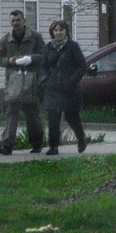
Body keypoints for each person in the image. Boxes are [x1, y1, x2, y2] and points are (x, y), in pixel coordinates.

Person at [0, 9, 46, 155]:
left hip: (31, 79)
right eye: (13, 20)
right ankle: (7, 146)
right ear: (9, 21)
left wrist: (30, 59)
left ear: (24, 20)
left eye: (18, 20)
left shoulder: (35, 36)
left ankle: (37, 144)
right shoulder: (5, 39)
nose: (16, 23)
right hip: (13, 80)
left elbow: (44, 55)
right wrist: (9, 61)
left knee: (32, 113)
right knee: (11, 112)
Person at [41, 20, 88, 155]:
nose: (59, 33)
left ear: (66, 31)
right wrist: (46, 79)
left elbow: (82, 66)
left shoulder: (73, 47)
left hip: (70, 89)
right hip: (53, 88)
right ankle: (53, 146)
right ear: (52, 33)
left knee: (72, 116)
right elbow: (43, 66)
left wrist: (72, 81)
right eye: (55, 30)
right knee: (53, 118)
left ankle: (81, 138)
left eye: (61, 30)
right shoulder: (48, 47)